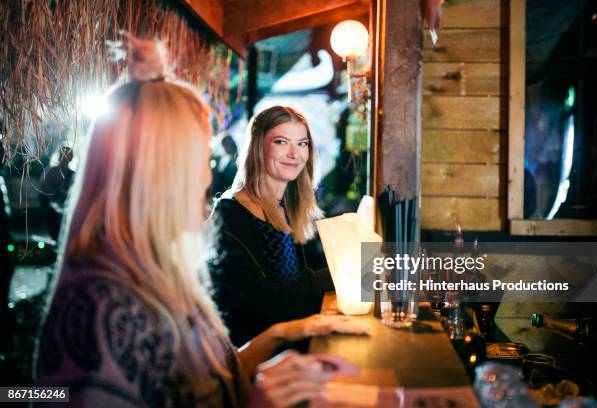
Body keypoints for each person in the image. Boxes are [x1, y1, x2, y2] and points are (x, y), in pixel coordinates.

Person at [34, 38, 362, 407]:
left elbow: (211, 376)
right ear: (150, 175)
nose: (206, 181)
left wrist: (284, 336)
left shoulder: (163, 273)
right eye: (195, 162)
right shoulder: (95, 304)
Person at [208, 106, 334, 347]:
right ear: (258, 148)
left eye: (302, 143)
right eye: (281, 142)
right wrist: (336, 275)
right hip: (253, 362)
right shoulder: (229, 215)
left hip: (292, 347)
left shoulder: (287, 209)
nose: (294, 154)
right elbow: (260, 307)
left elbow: (298, 284)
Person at [39, 146, 75, 241]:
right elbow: (45, 190)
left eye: (68, 155)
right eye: (64, 155)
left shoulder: (72, 174)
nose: (66, 157)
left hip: (66, 205)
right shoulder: (52, 171)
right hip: (52, 205)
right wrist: (54, 202)